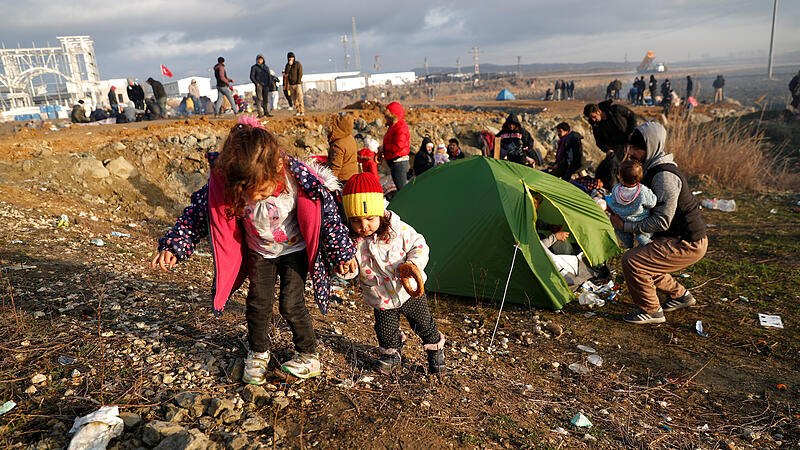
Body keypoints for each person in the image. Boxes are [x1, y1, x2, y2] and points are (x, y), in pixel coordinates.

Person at [152, 116, 357, 383]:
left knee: (291, 304)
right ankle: (258, 352)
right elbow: (197, 216)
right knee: (258, 304)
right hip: (259, 252)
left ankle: (308, 355)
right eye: (249, 194)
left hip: (295, 251)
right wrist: (173, 247)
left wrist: (343, 253)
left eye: (262, 191)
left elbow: (327, 218)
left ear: (276, 169)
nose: (256, 198)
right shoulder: (228, 183)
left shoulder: (298, 180)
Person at [342, 173, 446, 374]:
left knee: (423, 323)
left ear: (380, 212)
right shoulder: (352, 241)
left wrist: (413, 264)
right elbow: (351, 268)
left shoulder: (398, 230)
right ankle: (391, 354)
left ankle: (435, 349)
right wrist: (346, 269)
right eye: (356, 221)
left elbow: (420, 245)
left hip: (408, 291)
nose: (363, 226)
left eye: (370, 218)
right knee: (385, 330)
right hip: (380, 296)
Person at [608, 122, 708, 325]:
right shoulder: (651, 168)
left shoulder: (664, 176)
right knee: (646, 261)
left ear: (652, 146)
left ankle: (651, 310)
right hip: (678, 237)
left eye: (637, 148)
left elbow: (662, 220)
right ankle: (681, 296)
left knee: (633, 261)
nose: (632, 153)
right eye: (631, 147)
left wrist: (625, 226)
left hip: (688, 242)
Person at [583, 100, 637, 188]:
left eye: (594, 116)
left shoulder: (616, 110)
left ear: (599, 111)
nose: (593, 119)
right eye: (591, 118)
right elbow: (599, 141)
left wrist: (632, 132)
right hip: (613, 147)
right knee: (602, 170)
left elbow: (632, 116)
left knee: (615, 166)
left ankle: (616, 188)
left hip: (626, 142)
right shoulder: (595, 124)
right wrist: (607, 149)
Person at [607, 160, 656, 248]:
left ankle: (628, 244)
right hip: (639, 219)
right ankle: (643, 238)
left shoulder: (616, 189)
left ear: (621, 178)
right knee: (644, 232)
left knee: (620, 231)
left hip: (622, 219)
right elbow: (652, 203)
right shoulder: (642, 191)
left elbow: (612, 200)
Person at [379, 102, 410, 190]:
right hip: (396, 162)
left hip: (399, 162)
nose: (385, 119)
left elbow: (399, 146)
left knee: (402, 190)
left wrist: (384, 148)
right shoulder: (395, 126)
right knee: (401, 188)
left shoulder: (400, 127)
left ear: (393, 116)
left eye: (387, 116)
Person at [326, 112, 359, 182]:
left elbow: (335, 168)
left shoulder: (338, 145)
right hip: (352, 177)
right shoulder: (349, 137)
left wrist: (328, 183)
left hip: (342, 180)